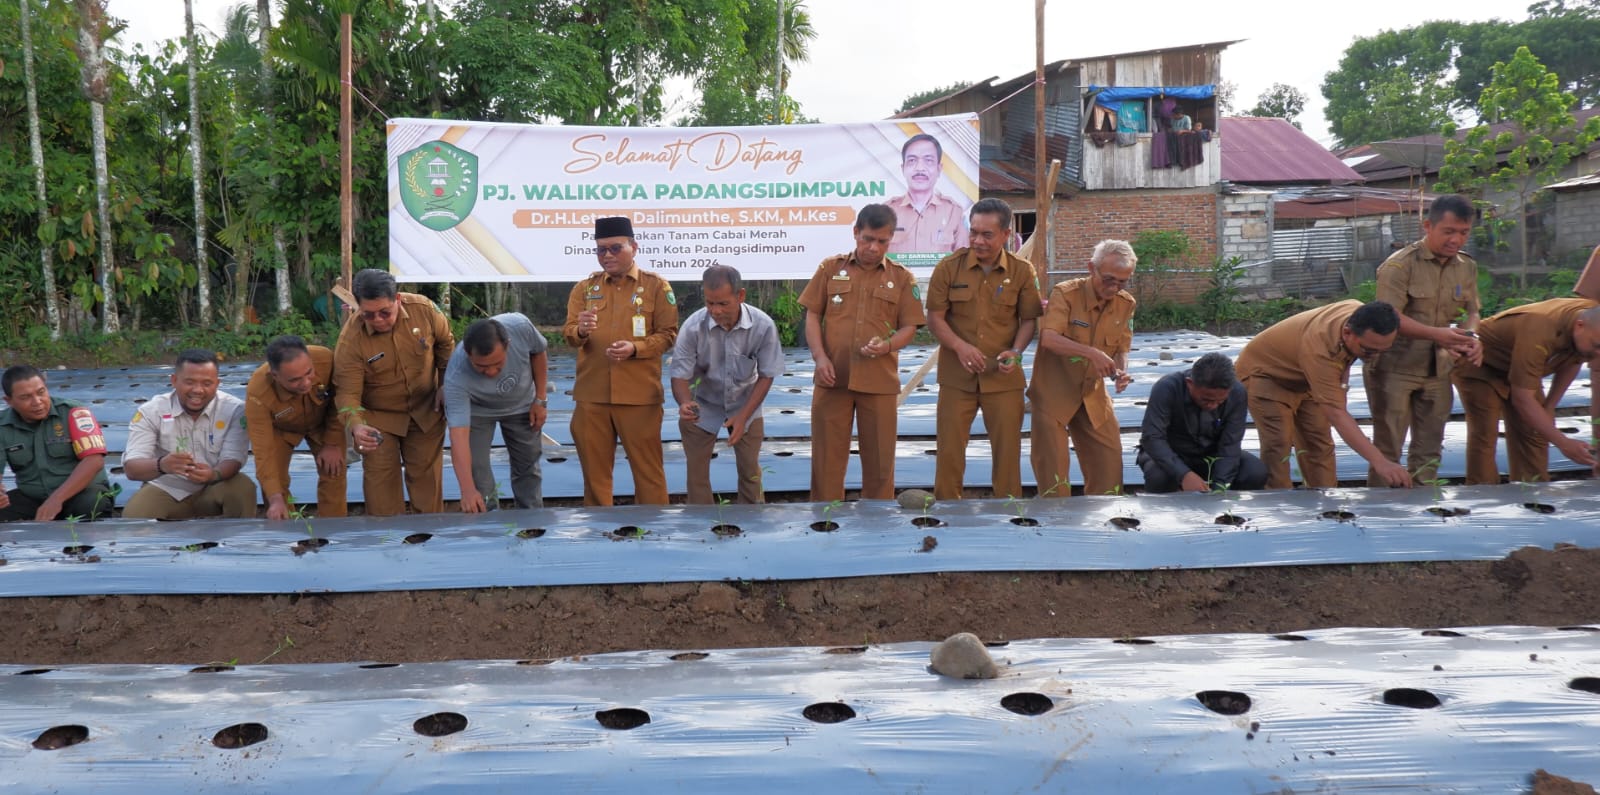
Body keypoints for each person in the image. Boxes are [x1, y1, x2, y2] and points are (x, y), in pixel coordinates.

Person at [799, 202, 926, 501]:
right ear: (856, 233)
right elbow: (813, 315)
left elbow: (909, 327)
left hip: (879, 382)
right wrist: (820, 358)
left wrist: (887, 345)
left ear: (891, 239)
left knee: (880, 463)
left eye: (882, 241)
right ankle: (826, 524)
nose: (873, 247)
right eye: (868, 238)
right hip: (833, 380)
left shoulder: (903, 278)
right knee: (827, 459)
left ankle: (876, 528)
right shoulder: (830, 268)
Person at [925, 198, 1043, 499]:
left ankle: (1008, 516)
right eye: (973, 232)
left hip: (1002, 379)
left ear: (1006, 234)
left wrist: (1015, 352)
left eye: (986, 234)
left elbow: (1029, 320)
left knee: (1007, 454)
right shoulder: (949, 268)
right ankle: (947, 515)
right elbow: (935, 318)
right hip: (956, 378)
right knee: (949, 452)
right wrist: (960, 347)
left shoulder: (1021, 272)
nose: (977, 240)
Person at [1363, 194, 1482, 486]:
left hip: (1438, 370)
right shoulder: (1399, 266)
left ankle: (1423, 518)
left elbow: (1474, 310)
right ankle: (1382, 516)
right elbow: (1389, 317)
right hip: (1394, 368)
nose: (1456, 239)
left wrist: (1471, 337)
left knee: (1429, 450)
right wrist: (1437, 334)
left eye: (1464, 232)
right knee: (1388, 448)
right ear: (1427, 225)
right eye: (1449, 231)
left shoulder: (1466, 266)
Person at [563, 216, 678, 506]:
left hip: (638, 395)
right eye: (601, 250)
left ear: (633, 247)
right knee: (595, 475)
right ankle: (601, 538)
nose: (607, 255)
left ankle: (652, 533)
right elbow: (568, 334)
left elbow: (668, 335)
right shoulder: (584, 289)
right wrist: (581, 330)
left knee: (648, 472)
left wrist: (636, 349)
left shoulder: (656, 287)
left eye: (615, 248)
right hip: (593, 396)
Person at [1235, 300, 1411, 490]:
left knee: (1319, 441)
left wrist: (1442, 338)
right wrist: (1380, 462)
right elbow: (1336, 413)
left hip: (1305, 379)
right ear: (1347, 333)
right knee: (1279, 443)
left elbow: (1401, 321)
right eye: (1368, 350)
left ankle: (1326, 504)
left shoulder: (1361, 312)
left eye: (1382, 351)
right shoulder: (1321, 350)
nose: (1375, 356)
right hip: (1266, 375)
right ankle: (1280, 505)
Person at [334, 268, 454, 516]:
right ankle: (387, 549)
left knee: (427, 484)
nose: (378, 320)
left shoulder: (425, 310)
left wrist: (445, 385)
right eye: (368, 315)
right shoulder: (350, 341)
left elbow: (446, 345)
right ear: (358, 307)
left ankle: (430, 545)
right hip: (379, 420)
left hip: (426, 410)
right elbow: (347, 393)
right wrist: (356, 426)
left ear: (397, 299)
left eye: (385, 312)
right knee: (381, 491)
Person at [1028, 239, 1138, 497]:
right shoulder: (1065, 294)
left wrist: (1120, 372)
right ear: (1092, 268)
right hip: (1054, 393)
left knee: (1109, 473)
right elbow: (1049, 338)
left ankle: (1102, 532)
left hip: (1093, 394)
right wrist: (1091, 353)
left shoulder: (1126, 303)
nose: (1114, 287)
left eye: (1123, 282)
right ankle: (1057, 529)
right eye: (1109, 279)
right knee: (1054, 480)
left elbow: (1122, 347)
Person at [1452, 298, 1600, 484]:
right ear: (1579, 326)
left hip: (1521, 367)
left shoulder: (1588, 325)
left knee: (1535, 434)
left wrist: (1550, 405)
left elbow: (1572, 361)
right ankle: (1484, 499)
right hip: (1482, 363)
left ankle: (1533, 496)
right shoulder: (1540, 330)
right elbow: (1522, 399)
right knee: (1485, 435)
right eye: (1597, 346)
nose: (1598, 354)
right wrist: (1563, 443)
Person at [670, 265, 785, 504]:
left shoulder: (762, 326)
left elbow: (766, 375)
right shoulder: (692, 327)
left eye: (723, 304)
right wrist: (684, 403)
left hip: (746, 403)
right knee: (697, 474)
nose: (715, 310)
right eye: (710, 303)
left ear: (740, 295)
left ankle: (750, 528)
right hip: (702, 404)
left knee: (750, 471)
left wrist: (743, 417)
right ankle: (702, 530)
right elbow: (679, 375)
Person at [123, 349, 256, 519]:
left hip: (214, 485)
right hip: (167, 488)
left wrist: (214, 474)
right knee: (135, 515)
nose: (198, 390)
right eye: (189, 382)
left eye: (207, 383)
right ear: (174, 380)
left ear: (217, 383)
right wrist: (162, 464)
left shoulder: (235, 410)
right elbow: (132, 468)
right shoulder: (151, 411)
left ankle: (239, 543)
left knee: (242, 487)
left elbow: (234, 458)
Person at [443, 313, 549, 512]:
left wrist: (541, 399)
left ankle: (532, 521)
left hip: (522, 404)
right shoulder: (456, 376)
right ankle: (488, 526)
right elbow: (458, 436)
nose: (491, 372)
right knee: (478, 473)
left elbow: (539, 351)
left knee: (528, 467)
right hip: (478, 411)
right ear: (467, 353)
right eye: (481, 367)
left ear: (508, 345)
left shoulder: (520, 327)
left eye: (497, 364)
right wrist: (467, 490)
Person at [246, 335, 347, 520]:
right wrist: (275, 498)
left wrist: (332, 442)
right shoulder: (258, 392)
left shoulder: (326, 359)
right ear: (275, 376)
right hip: (282, 429)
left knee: (334, 471)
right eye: (294, 380)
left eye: (309, 373)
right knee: (274, 482)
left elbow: (341, 400)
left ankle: (334, 531)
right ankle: (289, 537)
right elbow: (263, 449)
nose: (306, 383)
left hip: (323, 421)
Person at [1136, 352, 1267, 493]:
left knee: (1255, 471)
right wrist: (1183, 474)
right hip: (1171, 452)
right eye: (1206, 400)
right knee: (1159, 476)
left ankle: (1228, 512)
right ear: (1190, 384)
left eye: (1220, 401)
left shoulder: (1237, 393)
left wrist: (1220, 488)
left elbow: (1230, 443)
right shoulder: (1167, 388)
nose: (1213, 406)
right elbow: (1152, 438)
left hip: (1211, 454)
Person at [0, 365, 114, 521]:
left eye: (41, 392)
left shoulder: (75, 412)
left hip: (80, 493)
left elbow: (94, 460)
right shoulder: (2, 425)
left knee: (91, 504)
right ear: (9, 401)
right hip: (33, 497)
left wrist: (56, 500)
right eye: (25, 397)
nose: (37, 402)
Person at [886, 134, 970, 255]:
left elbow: (964, 259)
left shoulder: (954, 212)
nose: (920, 168)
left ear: (939, 169)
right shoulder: (887, 211)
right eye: (912, 161)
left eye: (928, 161)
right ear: (903, 168)